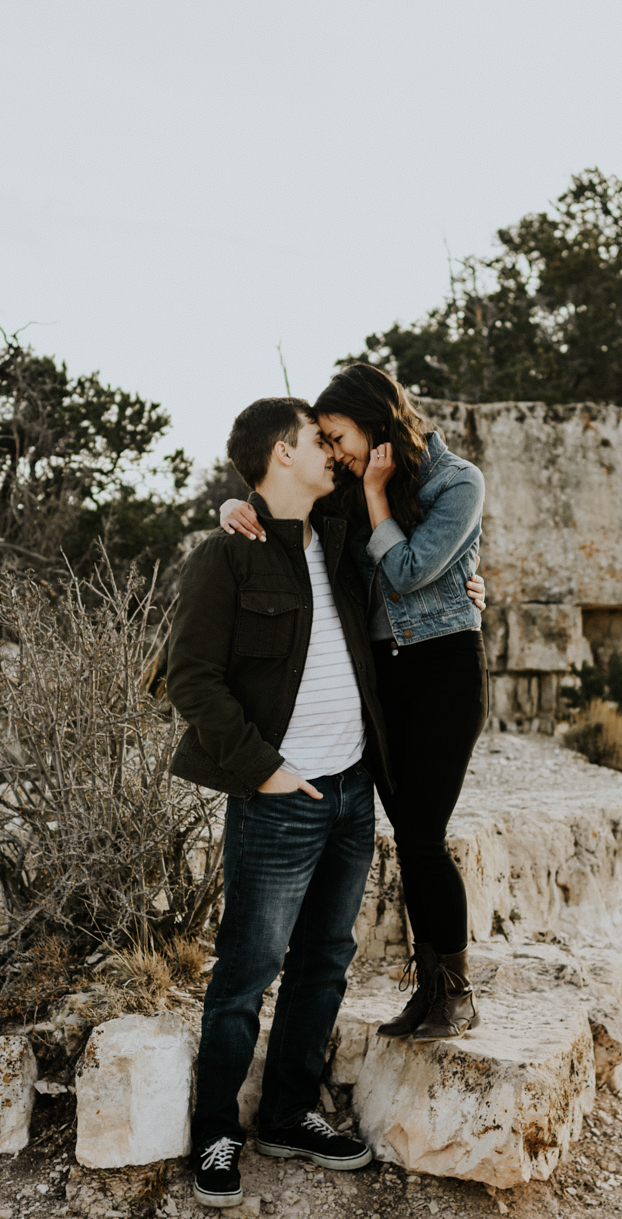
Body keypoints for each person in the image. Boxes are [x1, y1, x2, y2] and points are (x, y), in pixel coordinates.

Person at [166, 396, 390, 1209]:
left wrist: (463, 576)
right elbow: (191, 677)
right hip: (280, 796)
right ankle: (216, 1126)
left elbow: (416, 541)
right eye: (315, 441)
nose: (331, 453)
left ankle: (290, 1112)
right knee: (247, 971)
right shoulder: (223, 559)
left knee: (325, 959)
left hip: (352, 788)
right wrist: (263, 768)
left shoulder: (339, 536)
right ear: (280, 453)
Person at [219, 364, 488, 1043]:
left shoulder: (457, 483)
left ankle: (455, 996)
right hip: (384, 679)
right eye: (326, 440)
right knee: (408, 837)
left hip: (444, 673)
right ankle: (430, 993)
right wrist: (231, 507)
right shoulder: (347, 485)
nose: (333, 451)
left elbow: (402, 574)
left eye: (338, 435)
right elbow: (287, 508)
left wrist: (373, 492)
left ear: (375, 421)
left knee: (424, 835)